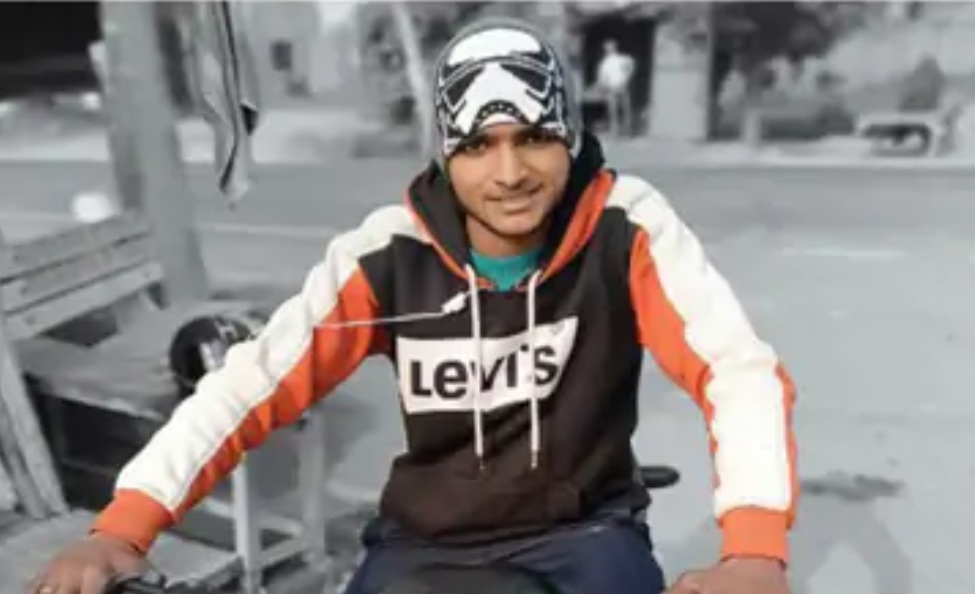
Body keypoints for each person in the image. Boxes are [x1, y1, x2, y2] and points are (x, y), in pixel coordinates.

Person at [29, 19, 797, 594]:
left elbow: (735, 371)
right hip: (426, 543)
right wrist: (123, 528)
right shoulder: (386, 253)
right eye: (476, 146)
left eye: (533, 137)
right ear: (444, 153)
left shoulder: (624, 226)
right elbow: (249, 385)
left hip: (586, 528)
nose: (509, 173)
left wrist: (753, 551)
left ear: (568, 134)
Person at [595, 39, 635, 137]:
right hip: (612, 88)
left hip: (621, 86)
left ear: (614, 48)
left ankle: (627, 131)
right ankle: (615, 131)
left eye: (610, 48)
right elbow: (602, 77)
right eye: (607, 48)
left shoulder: (621, 59)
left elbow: (631, 64)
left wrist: (627, 77)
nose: (609, 50)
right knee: (614, 111)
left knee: (624, 109)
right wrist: (603, 85)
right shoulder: (605, 62)